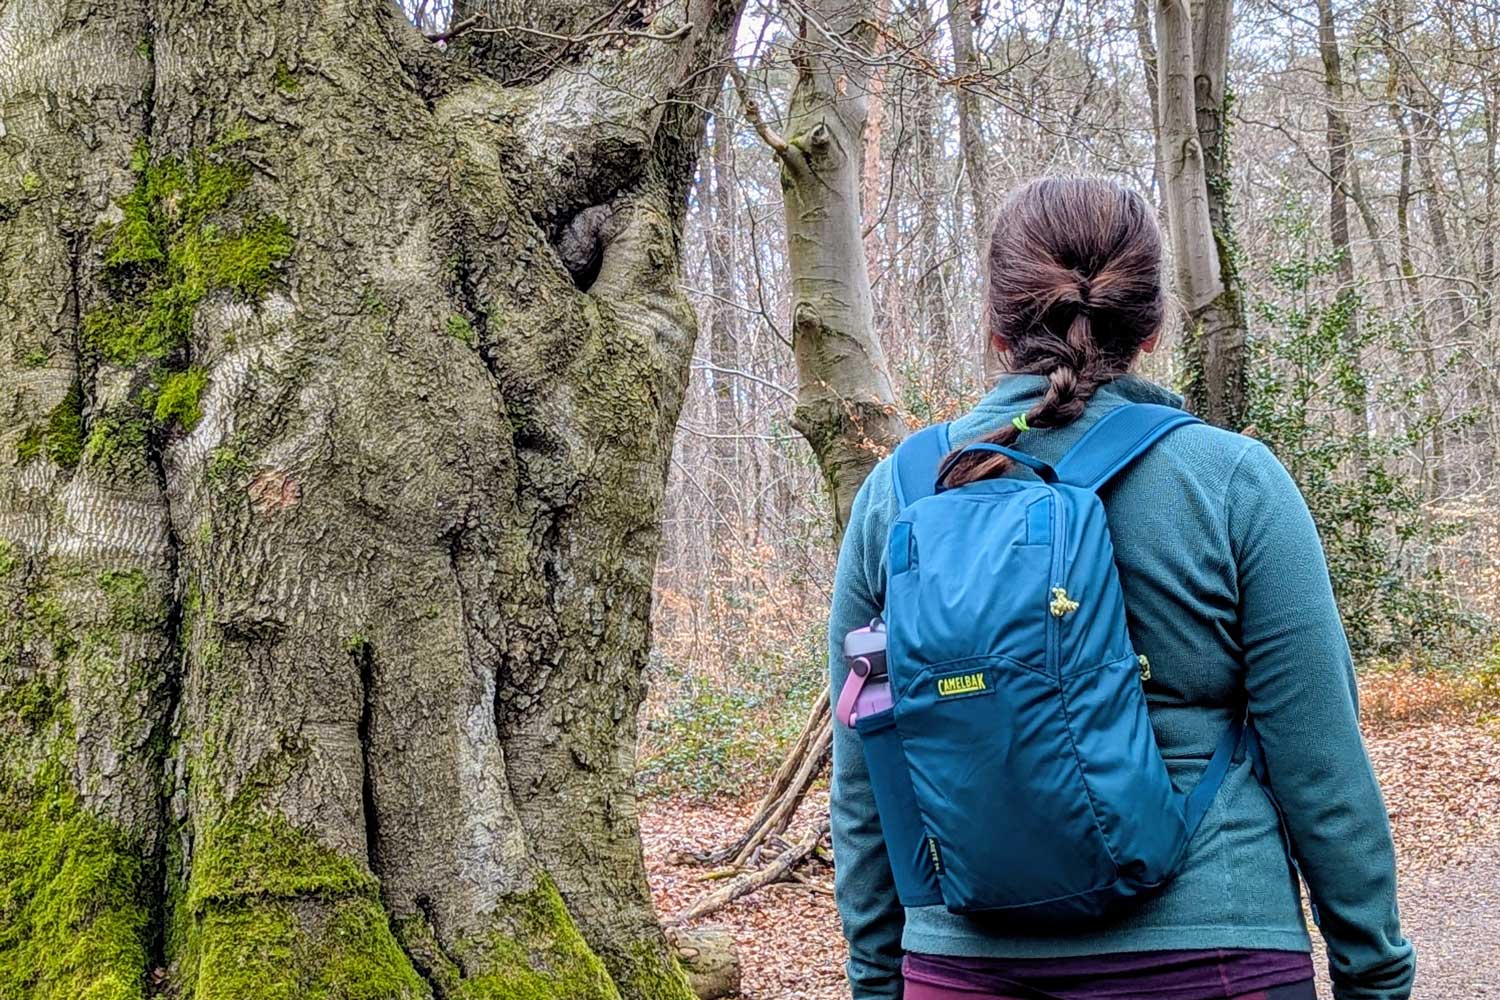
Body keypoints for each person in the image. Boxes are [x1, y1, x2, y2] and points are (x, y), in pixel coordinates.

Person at [827, 177, 1414, 1000]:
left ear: (997, 328)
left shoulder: (900, 493)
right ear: (1153, 326)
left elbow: (867, 772)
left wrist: (879, 979)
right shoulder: (1232, 482)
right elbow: (1320, 762)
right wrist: (1374, 972)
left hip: (965, 961)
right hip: (1213, 948)